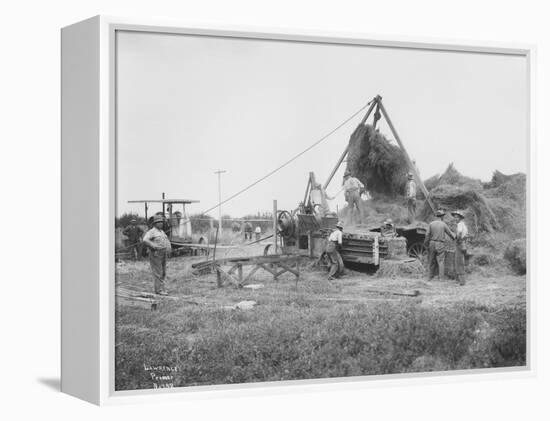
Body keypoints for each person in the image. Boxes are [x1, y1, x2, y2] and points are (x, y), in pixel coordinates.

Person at [142, 214, 172, 295]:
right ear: (155, 224)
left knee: (163, 272)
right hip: (156, 254)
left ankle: (162, 289)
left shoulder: (161, 232)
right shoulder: (151, 232)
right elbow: (145, 240)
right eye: (159, 222)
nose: (161, 223)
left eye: (161, 222)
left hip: (163, 253)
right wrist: (153, 245)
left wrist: (169, 249)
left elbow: (166, 241)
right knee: (158, 272)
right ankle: (158, 290)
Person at [424, 209, 456, 281]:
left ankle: (429, 277)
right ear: (442, 217)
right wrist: (455, 238)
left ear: (436, 216)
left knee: (431, 260)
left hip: (432, 243)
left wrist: (426, 244)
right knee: (441, 261)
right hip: (440, 244)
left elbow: (427, 235)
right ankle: (441, 278)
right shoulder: (443, 224)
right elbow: (450, 233)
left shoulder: (431, 224)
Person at [452, 210, 469, 286]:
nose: (455, 218)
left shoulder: (459, 225)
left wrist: (457, 240)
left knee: (459, 262)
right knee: (460, 261)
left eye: (457, 217)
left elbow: (459, 233)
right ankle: (461, 280)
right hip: (463, 244)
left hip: (460, 244)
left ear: (460, 218)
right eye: (454, 217)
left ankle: (462, 282)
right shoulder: (463, 225)